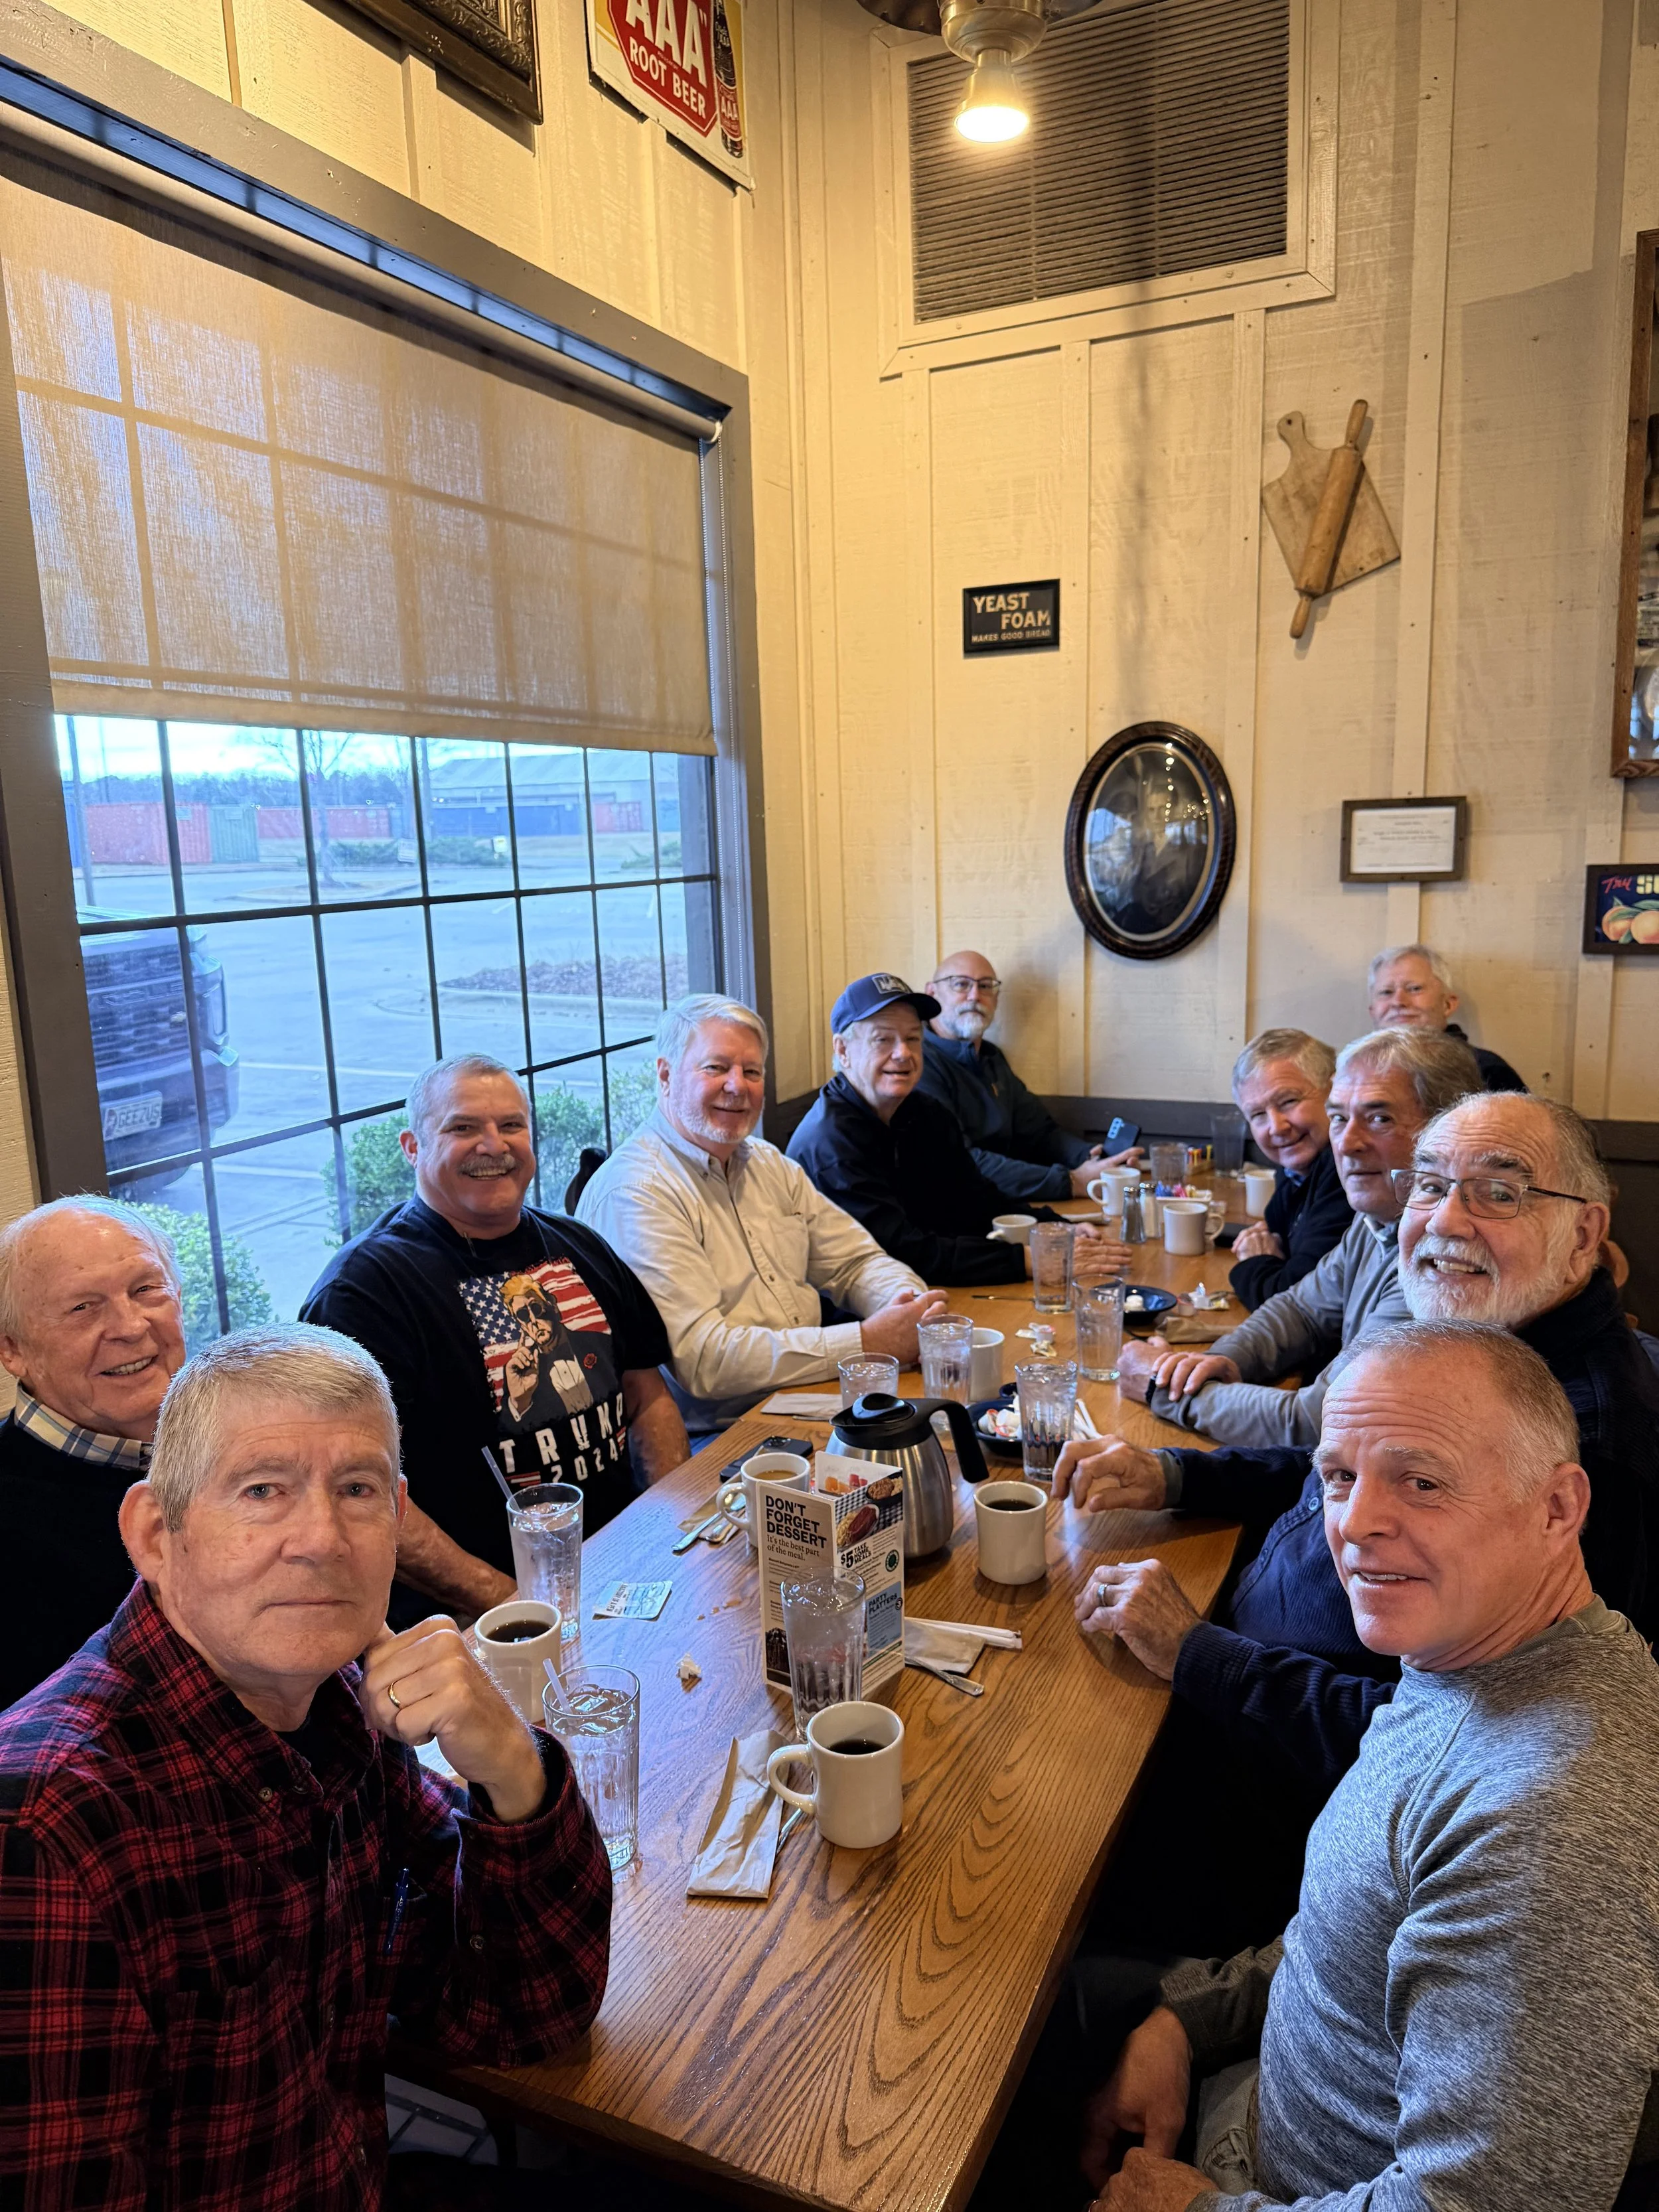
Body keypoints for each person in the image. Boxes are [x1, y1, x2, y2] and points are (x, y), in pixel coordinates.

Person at [0, 1324, 612, 2205]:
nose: (321, 1538)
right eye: (262, 1491)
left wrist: (513, 1770)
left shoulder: (338, 1704)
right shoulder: (51, 1830)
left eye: (356, 1489)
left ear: (397, 1519)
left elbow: (522, 2012)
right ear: (156, 1535)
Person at [1055, 1093, 1659, 1960]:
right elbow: (1337, 1466)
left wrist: (1197, 1651)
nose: (1447, 1220)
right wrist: (1176, 1471)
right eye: (1431, 1186)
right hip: (1230, 1699)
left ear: (1586, 1229)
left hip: (1285, 1833)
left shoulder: (1584, 1450)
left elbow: (1454, 1748)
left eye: (1499, 1192)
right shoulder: (1496, 1342)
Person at [1078, 1323, 1659, 2212]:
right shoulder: (1469, 1658)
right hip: (1250, 2090)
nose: (1354, 1524)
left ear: (1557, 1509)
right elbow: (1363, 1928)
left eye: (1421, 1481)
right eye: (1340, 1477)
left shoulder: (1551, 1826)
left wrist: (1193, 2209)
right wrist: (1191, 2018)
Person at [302, 1055, 687, 1624]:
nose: (493, 1145)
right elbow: (358, 1493)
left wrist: (666, 1530)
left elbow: (646, 1393)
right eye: (462, 1128)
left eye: (511, 1126)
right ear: (412, 1146)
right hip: (473, 1619)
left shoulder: (579, 1243)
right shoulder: (364, 1291)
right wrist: (514, 1604)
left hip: (620, 1577)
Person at [577, 995, 948, 1433]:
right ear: (665, 1074)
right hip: (715, 1437)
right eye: (716, 1068)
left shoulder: (768, 1163)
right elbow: (705, 1360)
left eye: (751, 1071)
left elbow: (855, 1262)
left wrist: (908, 1306)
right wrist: (868, 1342)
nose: (737, 1086)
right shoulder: (638, 1191)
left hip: (808, 1400)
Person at [1118, 1027, 1479, 1447]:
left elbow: (1324, 1421)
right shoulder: (1379, 1219)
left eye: (1380, 1118)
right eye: (1340, 1118)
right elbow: (1300, 1311)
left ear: (1446, 1132)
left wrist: (1164, 1389)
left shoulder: (1442, 1257)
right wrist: (1211, 1362)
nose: (1347, 1143)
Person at [786, 973, 1130, 1288]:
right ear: (843, 1050)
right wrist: (1027, 1260)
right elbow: (900, 1252)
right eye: (883, 1040)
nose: (903, 1053)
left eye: (913, 1038)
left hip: (931, 1291)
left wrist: (1050, 1229)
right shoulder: (831, 1144)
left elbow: (976, 1198)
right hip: (851, 1318)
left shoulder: (925, 1113)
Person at [0, 1197, 186, 1710]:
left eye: (146, 1289)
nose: (130, 1326)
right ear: (12, 1349)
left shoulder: (230, 1447)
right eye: (83, 1307)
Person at [916, 950, 1143, 1203]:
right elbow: (960, 1162)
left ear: (996, 998)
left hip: (1011, 1205)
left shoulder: (992, 1059)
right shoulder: (920, 1064)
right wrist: (1072, 1181)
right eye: (960, 984)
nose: (974, 996)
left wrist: (1095, 1159)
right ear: (931, 993)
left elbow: (1040, 1133)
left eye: (985, 986)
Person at [1224, 1030, 1350, 1311]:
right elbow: (1274, 1229)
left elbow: (1292, 1303)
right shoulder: (1297, 1169)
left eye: (1289, 1102)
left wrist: (1254, 1261)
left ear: (1335, 1092)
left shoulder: (1348, 1170)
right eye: (1258, 1115)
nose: (1276, 1127)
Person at [1368, 940, 1526, 1092]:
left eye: (1414, 989)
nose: (1399, 1002)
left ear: (1448, 1004)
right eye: (1386, 992)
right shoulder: (1356, 1071)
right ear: (1372, 1011)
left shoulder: (1486, 1071)